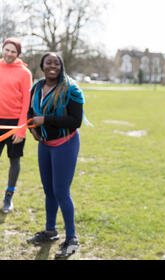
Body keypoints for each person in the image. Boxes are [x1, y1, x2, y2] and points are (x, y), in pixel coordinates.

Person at [26, 52, 85, 259]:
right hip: (44, 145)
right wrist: (31, 127)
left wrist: (46, 120)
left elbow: (75, 121)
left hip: (65, 144)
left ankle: (72, 239)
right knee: (48, 190)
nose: (53, 66)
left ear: (61, 66)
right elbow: (29, 112)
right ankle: (50, 231)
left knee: (61, 191)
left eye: (57, 63)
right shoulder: (36, 87)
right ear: (42, 66)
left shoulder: (71, 89)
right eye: (48, 62)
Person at [0, 38, 32, 213]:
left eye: (13, 51)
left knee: (14, 161)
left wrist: (21, 129)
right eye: (7, 50)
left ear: (18, 54)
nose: (9, 54)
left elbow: (27, 102)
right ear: (2, 49)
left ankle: (8, 198)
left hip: (15, 124)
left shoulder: (24, 73)